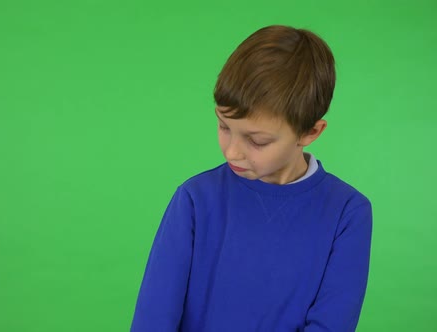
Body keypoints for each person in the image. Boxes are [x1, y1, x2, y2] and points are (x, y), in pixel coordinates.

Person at [130, 25, 373, 332]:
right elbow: (153, 319)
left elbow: (332, 324)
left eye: (257, 141)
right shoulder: (194, 199)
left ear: (310, 132)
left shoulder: (347, 213)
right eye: (223, 126)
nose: (232, 152)